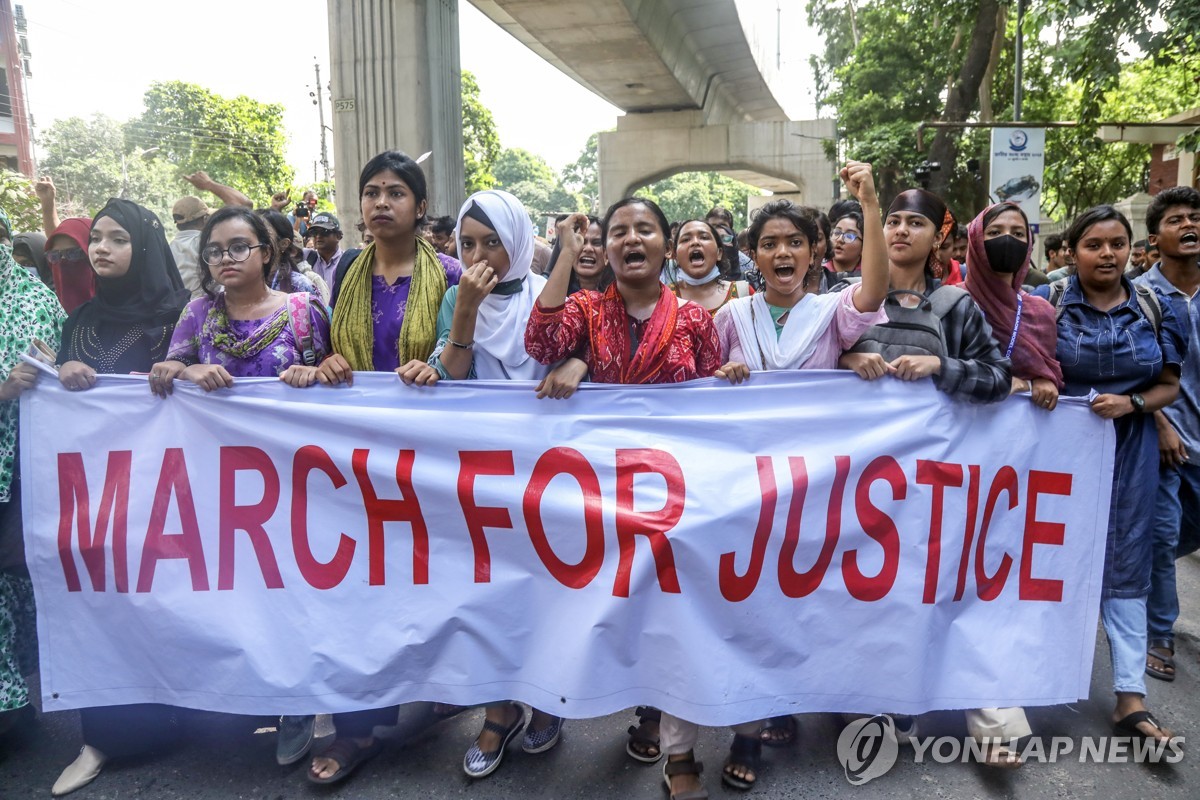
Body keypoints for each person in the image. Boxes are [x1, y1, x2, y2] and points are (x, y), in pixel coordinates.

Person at [527, 199, 721, 800]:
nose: (631, 239)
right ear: (605, 248)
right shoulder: (585, 308)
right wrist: (564, 253)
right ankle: (621, 704)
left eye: (644, 230)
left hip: (673, 500)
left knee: (672, 618)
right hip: (598, 499)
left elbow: (719, 411)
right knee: (615, 614)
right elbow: (540, 339)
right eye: (618, 233)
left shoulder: (693, 319)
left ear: (664, 245)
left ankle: (678, 747)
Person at [704, 163, 888, 788]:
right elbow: (698, 398)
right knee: (751, 607)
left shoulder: (834, 314)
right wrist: (719, 378)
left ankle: (793, 700)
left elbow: (873, 288)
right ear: (753, 255)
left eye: (794, 242)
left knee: (805, 603)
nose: (782, 252)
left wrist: (868, 205)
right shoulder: (731, 319)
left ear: (813, 254)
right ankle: (749, 731)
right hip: (749, 492)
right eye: (769, 243)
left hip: (815, 491)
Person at [398, 189, 580, 777]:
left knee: (548, 588)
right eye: (467, 244)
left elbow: (579, 357)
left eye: (491, 243)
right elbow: (450, 373)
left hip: (549, 469)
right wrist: (468, 315)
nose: (478, 255)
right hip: (483, 470)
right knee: (489, 590)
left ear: (518, 242)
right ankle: (501, 711)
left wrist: (575, 364)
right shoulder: (457, 297)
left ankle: (549, 699)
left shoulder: (552, 296)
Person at [306, 151, 461, 786]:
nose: (380, 203)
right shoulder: (344, 268)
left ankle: (445, 687)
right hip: (358, 457)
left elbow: (467, 360)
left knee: (429, 581)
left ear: (420, 207)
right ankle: (356, 728)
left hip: (430, 459)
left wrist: (440, 365)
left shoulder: (453, 275)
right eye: (371, 192)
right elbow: (323, 349)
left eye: (396, 192)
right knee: (358, 587)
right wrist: (329, 363)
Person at [49, 199, 190, 796]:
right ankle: (103, 737)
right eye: (96, 239)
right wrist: (61, 374)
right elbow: (58, 397)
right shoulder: (78, 320)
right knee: (103, 597)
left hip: (172, 492)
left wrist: (178, 371)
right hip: (101, 494)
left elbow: (211, 386)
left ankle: (200, 709)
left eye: (117, 239)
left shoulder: (180, 315)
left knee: (176, 596)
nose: (101, 249)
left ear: (146, 247)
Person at [1032, 205, 1184, 745]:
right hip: (1057, 459)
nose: (1108, 254)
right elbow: (1025, 370)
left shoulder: (1156, 306)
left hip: (1130, 452)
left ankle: (1129, 698)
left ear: (1131, 247)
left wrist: (1135, 403)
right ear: (1072, 252)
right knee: (1049, 562)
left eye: (1117, 243)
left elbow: (1168, 383)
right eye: (1094, 245)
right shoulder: (1046, 305)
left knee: (1127, 562)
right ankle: (1035, 681)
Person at [958, 201, 1064, 767]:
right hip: (946, 468)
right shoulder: (951, 304)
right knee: (940, 581)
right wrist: (1020, 384)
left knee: (990, 586)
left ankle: (993, 721)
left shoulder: (1042, 311)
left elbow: (1057, 376)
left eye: (1016, 234)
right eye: (993, 232)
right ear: (974, 242)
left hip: (1012, 475)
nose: (1005, 241)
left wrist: (1043, 383)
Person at [841, 188, 1011, 402]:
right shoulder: (847, 296)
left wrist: (940, 365)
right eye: (893, 222)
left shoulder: (956, 306)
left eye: (916, 223)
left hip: (927, 434)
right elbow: (806, 363)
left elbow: (999, 378)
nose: (901, 230)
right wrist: (846, 361)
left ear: (937, 238)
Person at [0, 207, 65, 739]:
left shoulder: (32, 299)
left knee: (14, 583)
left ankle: (14, 701)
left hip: (19, 465)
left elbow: (40, 370)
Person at [148, 206, 330, 394]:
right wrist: (186, 371)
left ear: (266, 253)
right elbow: (170, 372)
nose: (225, 258)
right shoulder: (196, 313)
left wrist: (314, 373)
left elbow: (333, 374)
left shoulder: (302, 310)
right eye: (214, 250)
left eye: (239, 247)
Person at [1134, 187, 1200, 684]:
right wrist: (1157, 422)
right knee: (1162, 536)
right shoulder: (1140, 297)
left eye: (1194, 217)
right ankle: (1158, 634)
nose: (1188, 225)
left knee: (1176, 536)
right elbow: (1130, 372)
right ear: (1156, 237)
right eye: (1175, 219)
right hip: (1163, 444)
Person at [668, 219, 750, 314]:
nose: (695, 242)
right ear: (675, 255)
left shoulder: (743, 294)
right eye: (686, 239)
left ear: (719, 253)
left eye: (704, 237)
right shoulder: (662, 297)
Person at [258, 209, 331, 303]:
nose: (255, 240)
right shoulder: (241, 281)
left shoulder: (300, 286)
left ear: (284, 244)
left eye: (263, 234)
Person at [170, 195, 212, 300]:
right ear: (204, 219)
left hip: (179, 307)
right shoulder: (205, 242)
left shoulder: (170, 247)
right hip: (203, 306)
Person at [302, 211, 347, 290]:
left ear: (338, 236)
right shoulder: (307, 256)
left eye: (324, 232)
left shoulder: (347, 261)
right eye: (314, 232)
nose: (318, 236)